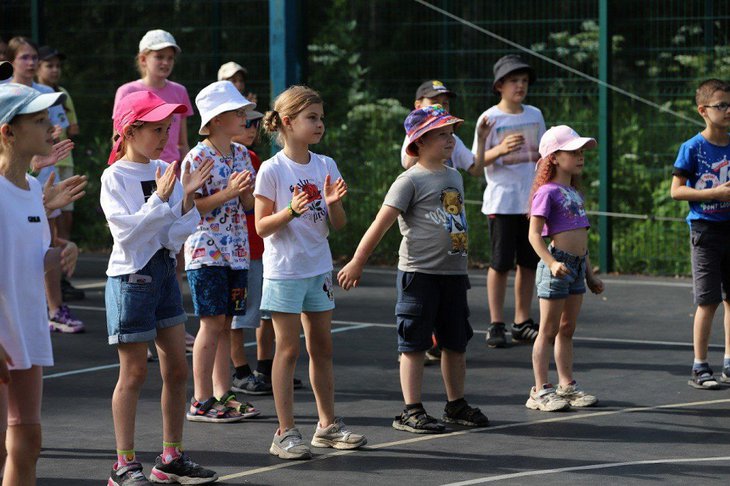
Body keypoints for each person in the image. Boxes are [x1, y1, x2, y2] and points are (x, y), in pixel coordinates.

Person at [339, 105, 491, 434]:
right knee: (414, 344)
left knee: (455, 343)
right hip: (418, 275)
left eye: (452, 133)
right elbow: (381, 224)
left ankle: (456, 404)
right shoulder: (408, 181)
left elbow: (452, 221)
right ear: (419, 142)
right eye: (441, 134)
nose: (450, 140)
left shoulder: (454, 176)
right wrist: (357, 261)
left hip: (452, 276)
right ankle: (411, 409)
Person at [101, 90, 217, 485]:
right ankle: (124, 465)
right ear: (130, 131)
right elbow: (128, 234)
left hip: (164, 272)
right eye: (156, 129)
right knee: (133, 372)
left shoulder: (166, 167)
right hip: (132, 278)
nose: (164, 137)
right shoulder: (114, 176)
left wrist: (185, 204)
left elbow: (173, 235)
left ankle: (171, 456)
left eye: (167, 129)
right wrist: (164, 199)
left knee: (177, 368)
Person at [256, 85, 367, 459]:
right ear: (287, 122)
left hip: (318, 268)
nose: (320, 124)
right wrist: (290, 211)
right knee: (287, 350)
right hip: (285, 271)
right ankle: (285, 432)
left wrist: (333, 204)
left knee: (323, 349)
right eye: (312, 117)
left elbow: (337, 224)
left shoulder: (326, 165)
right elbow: (261, 226)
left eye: (321, 117)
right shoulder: (271, 170)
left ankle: (327, 425)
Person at [0, 82, 81, 486]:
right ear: (7, 131)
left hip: (26, 334)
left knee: (28, 441)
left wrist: (60, 254)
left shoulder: (32, 189)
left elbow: (30, 259)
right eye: (37, 120)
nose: (50, 126)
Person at [113, 29, 196, 355]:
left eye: (170, 57)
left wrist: (185, 178)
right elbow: (120, 136)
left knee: (170, 253)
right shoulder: (128, 91)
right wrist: (127, 176)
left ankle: (168, 325)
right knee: (139, 246)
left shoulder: (179, 91)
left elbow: (181, 141)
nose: (165, 62)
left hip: (170, 176)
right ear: (143, 58)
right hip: (141, 179)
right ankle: (139, 329)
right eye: (158, 56)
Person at [400, 80, 493, 364]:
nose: (442, 107)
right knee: (419, 312)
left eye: (446, 103)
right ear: (418, 106)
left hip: (451, 251)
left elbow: (476, 166)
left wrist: (482, 137)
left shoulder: (454, 153)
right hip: (424, 235)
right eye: (434, 102)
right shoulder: (417, 142)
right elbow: (408, 161)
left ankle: (440, 343)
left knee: (453, 326)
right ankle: (422, 344)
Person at [183, 81, 260, 422]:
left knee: (226, 323)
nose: (245, 117)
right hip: (206, 252)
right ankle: (201, 400)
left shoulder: (242, 154)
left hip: (237, 251)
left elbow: (247, 205)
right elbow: (192, 208)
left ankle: (222, 392)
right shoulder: (197, 157)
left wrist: (243, 193)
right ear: (215, 120)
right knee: (211, 322)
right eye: (238, 112)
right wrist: (230, 193)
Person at [7, 36, 84, 333]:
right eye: (24, 57)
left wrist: (61, 251)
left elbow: (29, 262)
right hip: (9, 325)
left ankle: (53, 309)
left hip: (36, 175)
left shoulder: (46, 91)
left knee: (46, 240)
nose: (31, 63)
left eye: (33, 57)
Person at [526, 125, 603, 412]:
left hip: (576, 267)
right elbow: (534, 235)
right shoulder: (547, 192)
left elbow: (582, 239)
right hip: (556, 265)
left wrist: (590, 273)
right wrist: (551, 262)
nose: (580, 156)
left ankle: (566, 384)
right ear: (554, 158)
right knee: (547, 329)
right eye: (573, 151)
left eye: (582, 151)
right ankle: (539, 390)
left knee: (567, 328)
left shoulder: (574, 193)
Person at [473, 54, 546, 348]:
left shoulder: (535, 115)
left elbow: (544, 157)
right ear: (500, 85)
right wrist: (500, 148)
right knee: (500, 263)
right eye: (514, 81)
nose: (520, 86)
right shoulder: (489, 119)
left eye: (525, 81)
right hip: (502, 202)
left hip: (530, 204)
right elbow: (476, 165)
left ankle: (521, 321)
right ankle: (496, 323)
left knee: (528, 263)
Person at [671, 79, 730, 390]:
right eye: (721, 105)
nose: (728, 110)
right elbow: (676, 191)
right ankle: (700, 365)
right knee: (707, 301)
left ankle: (729, 363)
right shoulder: (692, 147)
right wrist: (714, 193)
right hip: (705, 230)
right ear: (703, 110)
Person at [36, 46, 84, 298]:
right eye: (48, 65)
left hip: (61, 163)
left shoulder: (61, 94)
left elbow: (72, 127)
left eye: (57, 65)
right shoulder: (32, 93)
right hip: (44, 166)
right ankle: (51, 294)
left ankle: (61, 276)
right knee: (44, 227)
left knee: (62, 223)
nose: (54, 70)